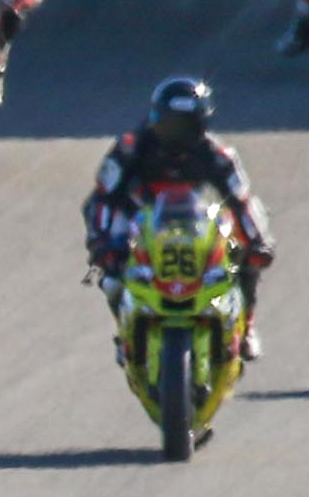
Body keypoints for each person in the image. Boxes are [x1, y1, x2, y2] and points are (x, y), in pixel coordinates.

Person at [81, 76, 276, 339]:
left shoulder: (218, 155)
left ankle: (246, 327)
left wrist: (257, 241)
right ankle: (127, 330)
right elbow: (104, 198)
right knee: (113, 279)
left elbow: (241, 201)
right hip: (137, 219)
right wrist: (100, 240)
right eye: (173, 124)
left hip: (197, 219)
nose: (179, 132)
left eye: (187, 124)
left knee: (247, 260)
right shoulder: (131, 148)